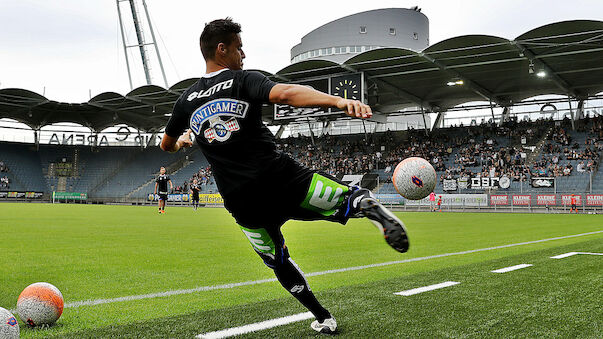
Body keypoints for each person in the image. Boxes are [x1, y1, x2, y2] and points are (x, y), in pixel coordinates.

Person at [159, 18, 408, 335]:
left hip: (242, 201)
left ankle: (322, 317)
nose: (243, 55)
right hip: (279, 177)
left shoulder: (186, 101)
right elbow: (287, 94)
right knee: (346, 197)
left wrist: (182, 141)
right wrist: (338, 100)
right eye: (239, 47)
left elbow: (167, 144)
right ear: (221, 49)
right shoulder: (242, 80)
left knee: (276, 260)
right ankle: (366, 206)